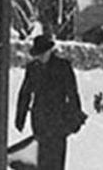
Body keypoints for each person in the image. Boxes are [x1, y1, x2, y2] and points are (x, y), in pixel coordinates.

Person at [14, 34, 83, 170]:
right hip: (40, 120)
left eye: (43, 53)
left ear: (50, 51)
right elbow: (25, 94)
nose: (40, 57)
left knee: (56, 160)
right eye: (38, 54)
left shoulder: (63, 67)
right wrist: (20, 117)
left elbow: (72, 93)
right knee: (43, 159)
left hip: (59, 120)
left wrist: (75, 116)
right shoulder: (33, 68)